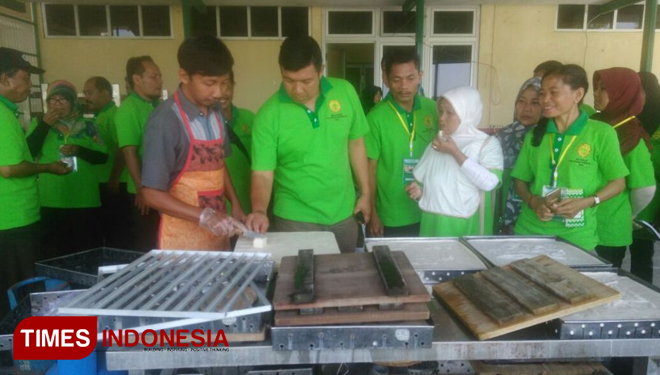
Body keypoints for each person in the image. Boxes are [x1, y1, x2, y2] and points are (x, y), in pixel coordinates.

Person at [246, 36, 371, 253]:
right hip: (295, 220)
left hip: (344, 213)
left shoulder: (345, 92)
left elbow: (356, 145)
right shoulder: (268, 115)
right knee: (300, 282)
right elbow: (263, 174)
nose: (297, 90)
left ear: (321, 70)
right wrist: (259, 210)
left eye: (306, 81)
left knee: (345, 279)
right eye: (288, 80)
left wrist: (366, 194)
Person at [142, 36, 244, 250]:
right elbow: (151, 194)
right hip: (182, 244)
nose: (219, 93)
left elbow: (217, 165)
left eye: (223, 83)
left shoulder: (216, 113)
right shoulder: (165, 121)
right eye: (210, 83)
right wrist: (205, 216)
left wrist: (234, 202)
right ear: (184, 75)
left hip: (217, 236)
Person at [512, 64, 628, 251]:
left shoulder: (601, 133)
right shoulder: (535, 135)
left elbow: (618, 182)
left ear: (577, 95)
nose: (545, 100)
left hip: (577, 237)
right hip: (529, 232)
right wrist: (534, 202)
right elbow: (520, 180)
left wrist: (588, 201)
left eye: (553, 92)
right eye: (542, 93)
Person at [0, 48, 69, 315]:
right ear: (5, 78)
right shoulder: (3, 115)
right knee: (20, 291)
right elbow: (8, 168)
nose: (29, 85)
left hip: (11, 218)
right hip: (13, 220)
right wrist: (48, 167)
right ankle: (23, 350)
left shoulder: (9, 113)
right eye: (25, 78)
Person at [407, 86, 503, 237]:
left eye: (449, 112)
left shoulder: (487, 143)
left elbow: (490, 182)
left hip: (465, 225)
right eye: (440, 111)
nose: (441, 118)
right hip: (432, 223)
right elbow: (440, 186)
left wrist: (455, 152)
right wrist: (420, 192)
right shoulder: (438, 142)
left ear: (466, 113)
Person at [27, 81, 108, 257]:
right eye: (52, 100)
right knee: (53, 252)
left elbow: (102, 157)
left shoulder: (89, 125)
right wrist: (45, 125)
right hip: (50, 199)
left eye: (62, 100)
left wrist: (80, 150)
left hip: (84, 200)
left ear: (73, 102)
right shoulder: (38, 123)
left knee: (86, 251)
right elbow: (28, 152)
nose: (57, 105)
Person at [365, 50, 437, 237]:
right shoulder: (375, 118)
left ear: (420, 76)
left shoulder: (433, 109)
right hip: (391, 215)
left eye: (410, 78)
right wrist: (373, 213)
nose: (404, 86)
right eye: (396, 80)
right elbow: (369, 169)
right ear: (386, 79)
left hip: (430, 209)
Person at [591, 68, 655, 269]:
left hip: (609, 227)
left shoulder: (632, 136)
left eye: (604, 89)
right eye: (597, 87)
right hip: (580, 222)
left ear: (622, 94)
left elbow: (645, 188)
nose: (595, 93)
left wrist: (630, 213)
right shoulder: (594, 122)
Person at [116, 56, 162, 251]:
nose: (159, 82)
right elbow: (129, 152)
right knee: (148, 244)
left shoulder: (158, 106)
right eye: (154, 76)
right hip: (144, 192)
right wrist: (141, 189)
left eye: (160, 76)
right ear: (137, 79)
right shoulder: (128, 110)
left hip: (162, 189)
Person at [83, 76, 129, 248]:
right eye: (85, 93)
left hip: (116, 183)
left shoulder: (114, 115)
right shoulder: (98, 117)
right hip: (102, 181)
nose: (86, 97)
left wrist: (114, 178)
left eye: (90, 92)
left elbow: (122, 148)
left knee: (116, 232)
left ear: (105, 93)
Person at [495, 77, 542, 234]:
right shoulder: (502, 136)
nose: (526, 108)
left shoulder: (548, 138)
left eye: (535, 103)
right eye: (521, 101)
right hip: (500, 212)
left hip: (535, 216)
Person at [219, 71, 254, 215]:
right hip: (218, 209)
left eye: (226, 85)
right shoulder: (202, 124)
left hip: (250, 205)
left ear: (233, 86)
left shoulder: (250, 118)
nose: (222, 93)